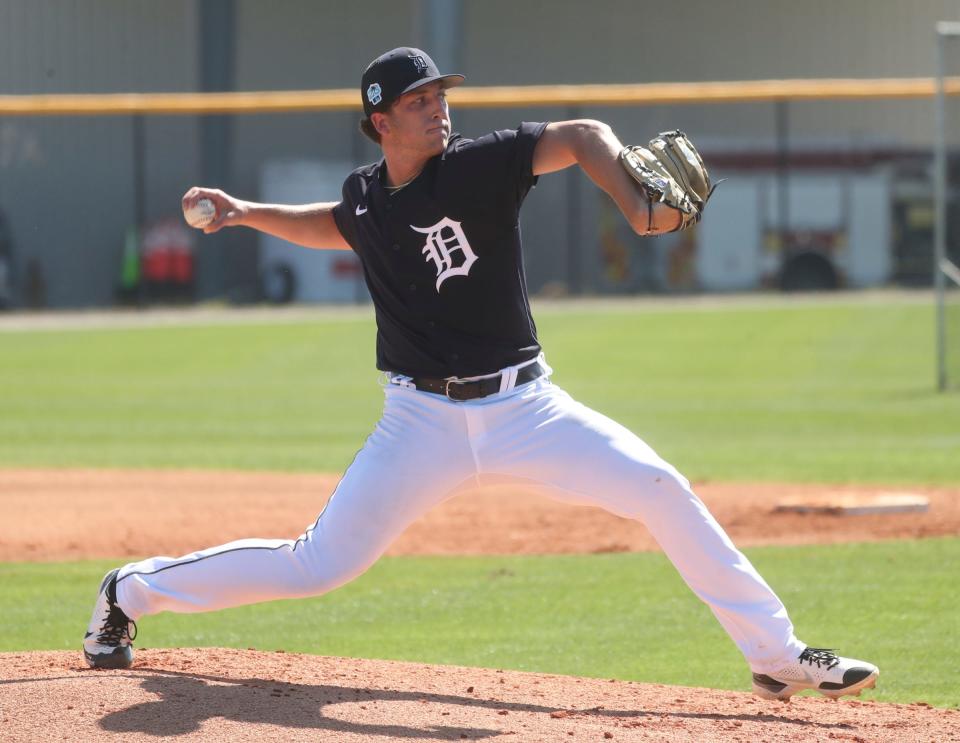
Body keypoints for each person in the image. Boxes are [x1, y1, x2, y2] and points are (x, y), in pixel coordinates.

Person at [84, 47, 878, 702]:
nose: (439, 107)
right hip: (417, 425)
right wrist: (245, 210)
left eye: (440, 94)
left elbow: (579, 133)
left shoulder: (481, 166)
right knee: (317, 563)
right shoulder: (366, 197)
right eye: (419, 99)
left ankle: (776, 651)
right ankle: (130, 590)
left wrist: (633, 198)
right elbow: (335, 225)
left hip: (527, 409)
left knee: (659, 486)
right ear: (380, 121)